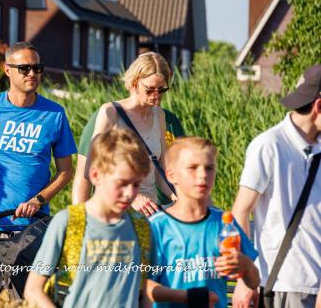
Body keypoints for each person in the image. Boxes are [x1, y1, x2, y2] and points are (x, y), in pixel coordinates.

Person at [0, 41, 76, 288]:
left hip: (33, 227)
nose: (32, 73)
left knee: (29, 297)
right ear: (7, 70)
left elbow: (66, 172)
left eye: (37, 67)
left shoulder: (54, 114)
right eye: (24, 68)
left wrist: (38, 200)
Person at [24, 128, 151, 308]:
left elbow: (145, 291)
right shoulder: (69, 222)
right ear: (95, 175)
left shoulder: (140, 226)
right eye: (121, 183)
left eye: (136, 184)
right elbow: (33, 290)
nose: (129, 193)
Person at [232, 65, 321, 308]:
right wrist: (245, 278)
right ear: (319, 106)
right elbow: (241, 210)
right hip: (281, 283)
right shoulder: (269, 145)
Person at [145, 136, 259, 308]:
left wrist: (247, 266)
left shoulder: (225, 223)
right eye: (192, 168)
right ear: (171, 175)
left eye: (209, 168)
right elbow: (143, 285)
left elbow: (254, 281)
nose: (202, 175)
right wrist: (186, 297)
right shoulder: (157, 227)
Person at [84, 52, 182, 217]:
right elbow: (91, 170)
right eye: (150, 89)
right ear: (135, 82)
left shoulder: (159, 115)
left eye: (162, 89)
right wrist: (133, 197)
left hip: (149, 213)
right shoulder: (110, 112)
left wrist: (177, 195)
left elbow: (161, 170)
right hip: (114, 210)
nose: (156, 96)